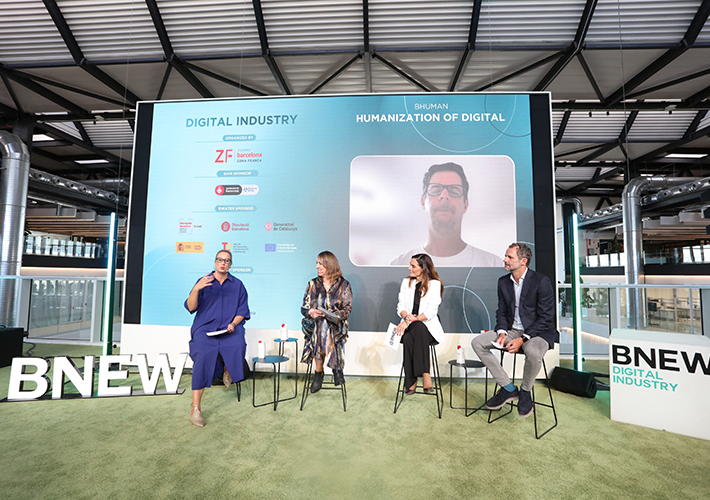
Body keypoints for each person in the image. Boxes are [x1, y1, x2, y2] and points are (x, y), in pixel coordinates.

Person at [471, 243, 557, 417]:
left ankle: (525, 392)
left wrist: (523, 339)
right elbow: (501, 311)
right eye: (506, 256)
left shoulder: (541, 281)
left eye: (510, 257)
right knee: (478, 343)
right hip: (512, 329)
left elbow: (546, 318)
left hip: (538, 332)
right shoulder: (503, 282)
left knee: (533, 352)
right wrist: (502, 332)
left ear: (523, 261)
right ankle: (508, 388)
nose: (505, 260)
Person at [390, 162, 503, 267]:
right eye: (435, 189)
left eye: (454, 190)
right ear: (423, 202)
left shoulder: (493, 265)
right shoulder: (398, 265)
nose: (444, 195)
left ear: (465, 204)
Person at [184, 249, 250, 427]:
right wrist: (196, 289)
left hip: (229, 328)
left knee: (238, 343)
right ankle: (195, 407)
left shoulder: (238, 285)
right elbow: (191, 307)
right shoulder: (203, 281)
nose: (223, 263)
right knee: (204, 355)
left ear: (230, 264)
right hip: (205, 329)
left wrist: (233, 324)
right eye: (220, 260)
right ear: (215, 262)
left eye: (227, 261)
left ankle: (228, 368)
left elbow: (242, 311)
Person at [301, 251, 352, 393]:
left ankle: (319, 373)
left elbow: (347, 309)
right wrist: (311, 312)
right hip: (313, 326)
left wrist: (331, 315)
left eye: (320, 263)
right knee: (321, 324)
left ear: (329, 265)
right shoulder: (312, 284)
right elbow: (304, 308)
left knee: (325, 324)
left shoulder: (344, 285)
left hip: (336, 327)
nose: (317, 266)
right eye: (316, 263)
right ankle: (336, 368)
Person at [395, 253, 444, 395]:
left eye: (413, 266)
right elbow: (401, 307)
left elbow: (430, 313)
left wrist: (409, 321)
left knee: (418, 327)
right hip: (408, 328)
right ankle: (425, 374)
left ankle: (411, 381)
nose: (409, 268)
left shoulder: (434, 284)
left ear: (423, 268)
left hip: (427, 330)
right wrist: (406, 318)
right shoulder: (406, 282)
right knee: (411, 336)